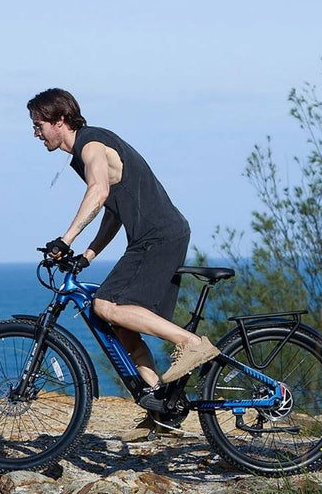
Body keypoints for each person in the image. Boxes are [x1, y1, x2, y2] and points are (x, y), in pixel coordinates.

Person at [28, 88, 219, 439]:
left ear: (59, 120)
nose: (36, 133)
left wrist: (66, 239)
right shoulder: (85, 153)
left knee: (105, 305)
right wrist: (88, 254)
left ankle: (191, 343)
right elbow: (113, 211)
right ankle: (162, 409)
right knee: (121, 326)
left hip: (158, 236)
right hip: (156, 236)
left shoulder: (91, 145)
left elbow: (98, 192)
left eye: (39, 125)